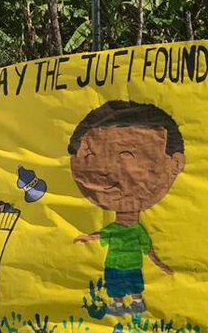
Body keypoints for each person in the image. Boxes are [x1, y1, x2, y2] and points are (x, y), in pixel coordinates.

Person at [69, 101, 185, 316]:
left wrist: (162, 266)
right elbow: (102, 236)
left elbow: (148, 250)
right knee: (116, 286)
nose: (106, 180)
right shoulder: (117, 229)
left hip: (128, 268)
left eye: (126, 159)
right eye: (92, 161)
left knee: (131, 285)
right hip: (115, 268)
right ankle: (120, 304)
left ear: (175, 164)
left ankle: (133, 303)